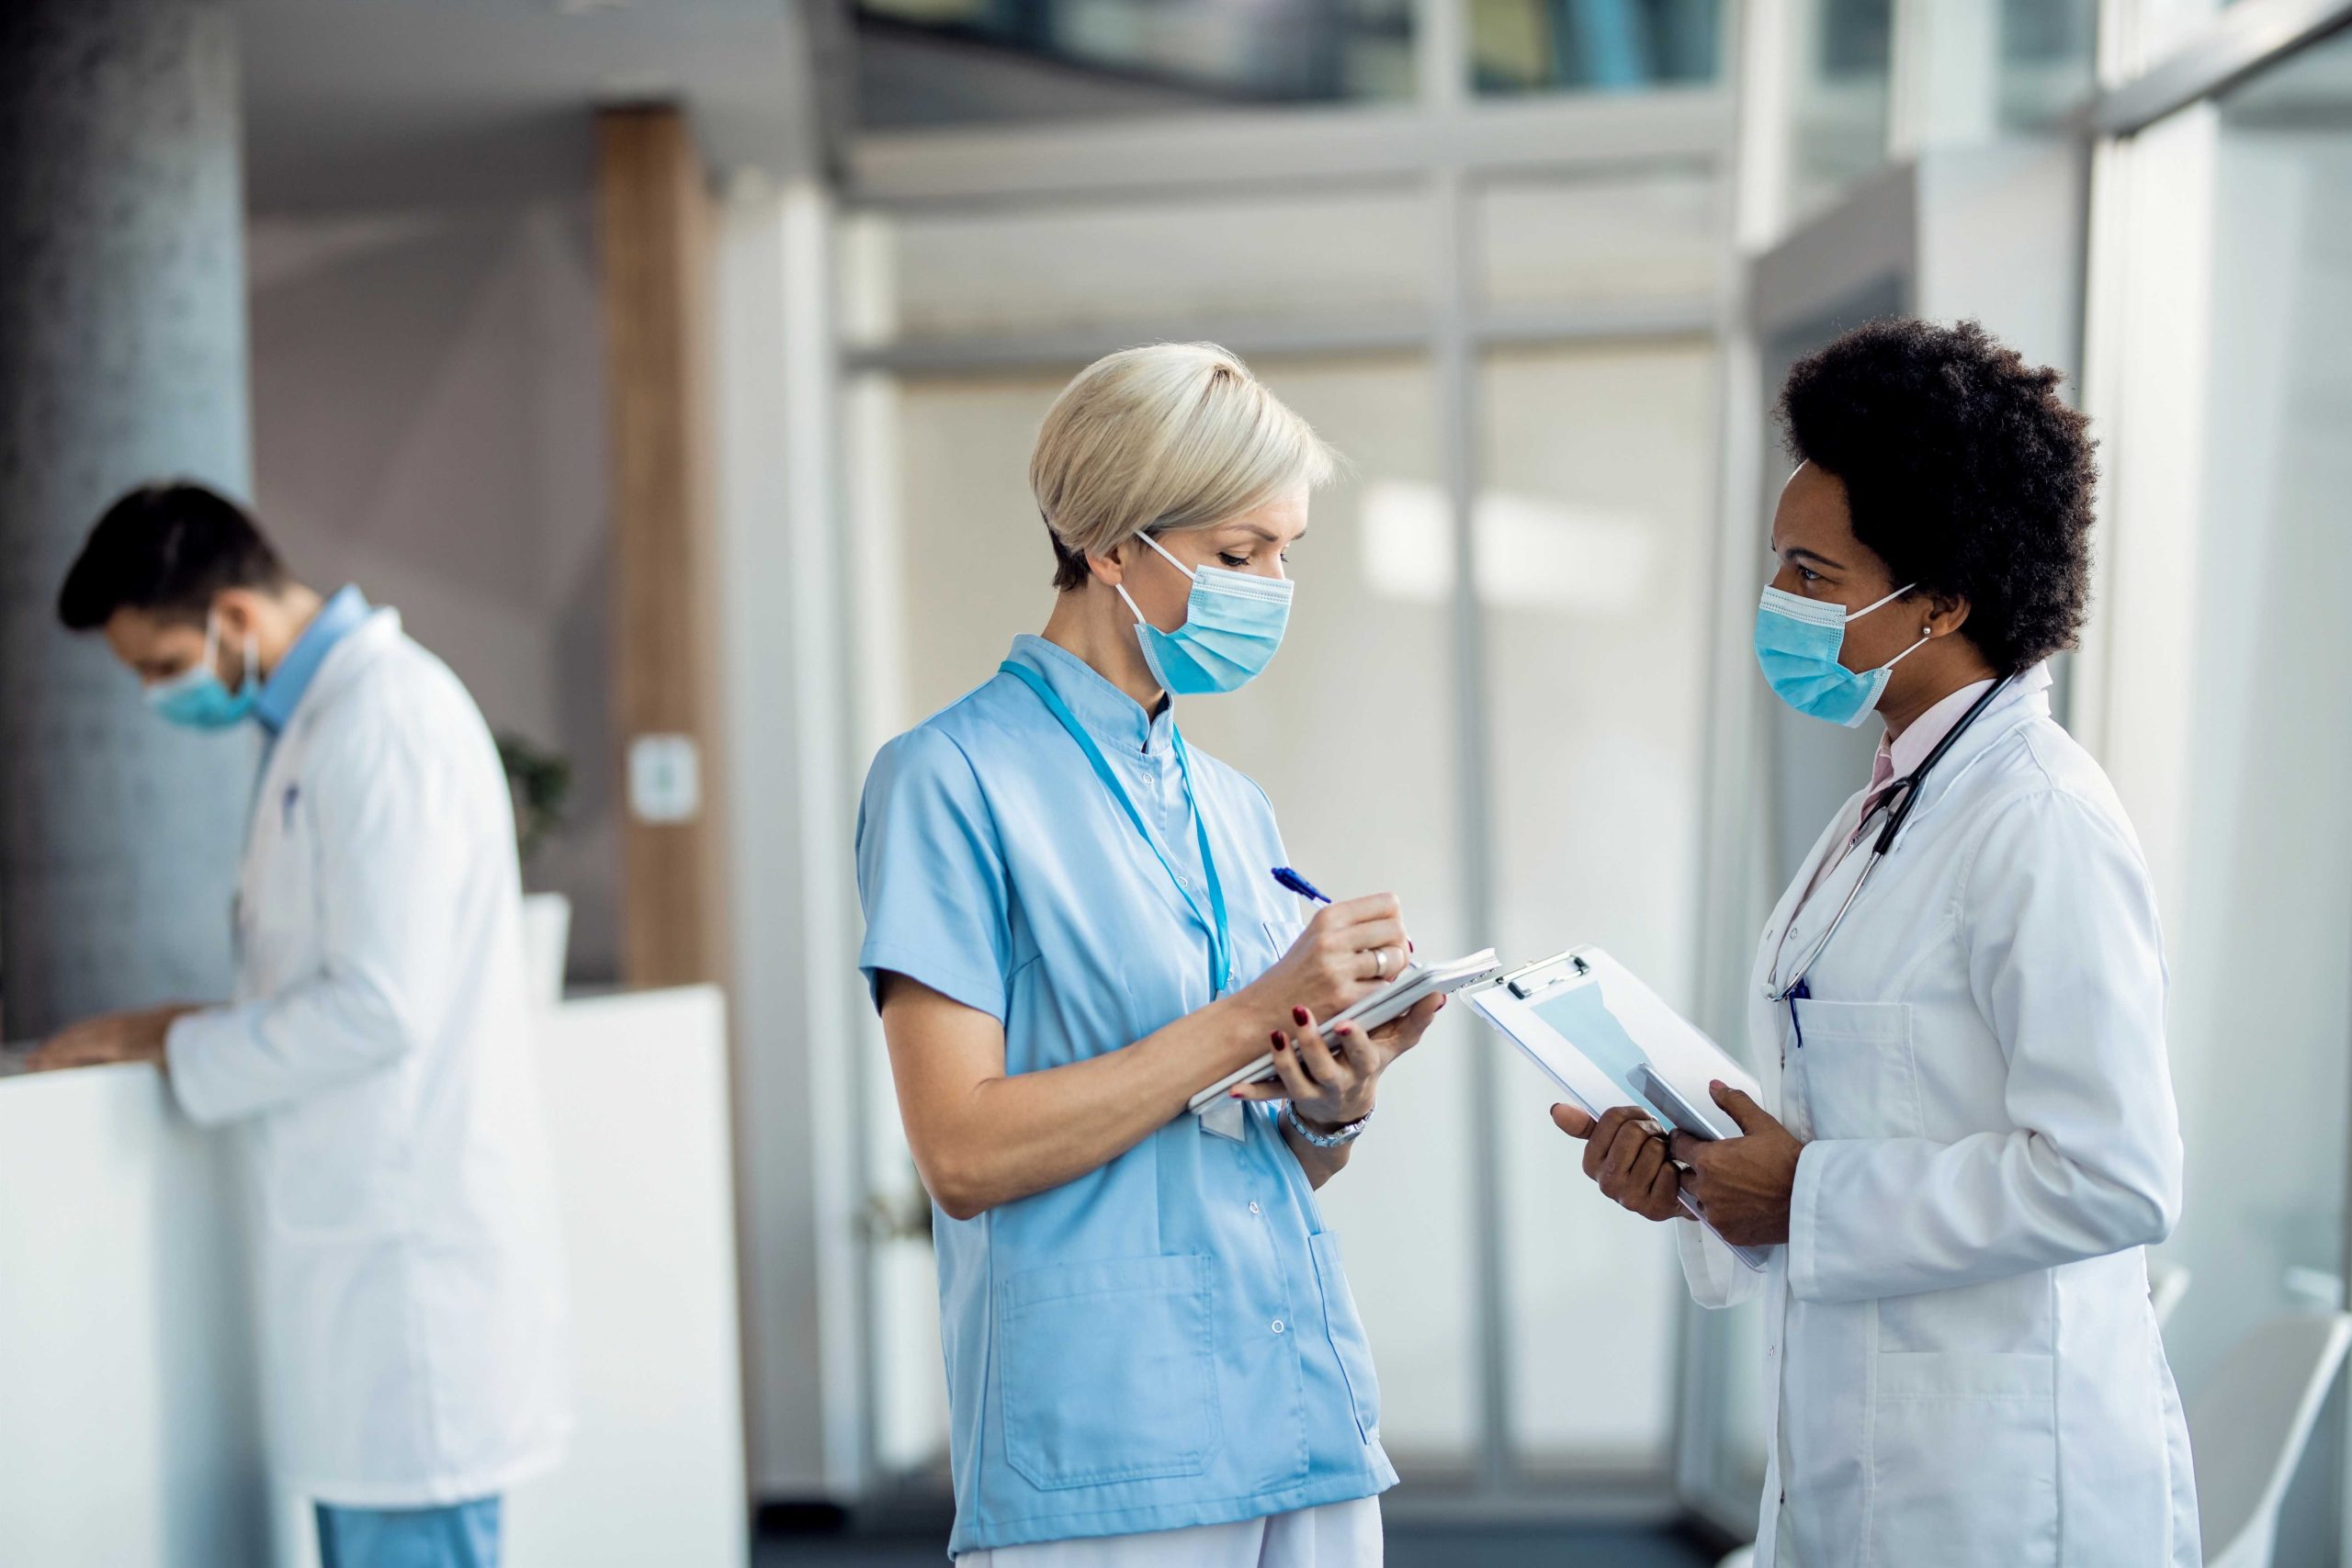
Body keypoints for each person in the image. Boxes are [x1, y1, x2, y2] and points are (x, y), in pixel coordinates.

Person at [1554, 320, 2197, 1565]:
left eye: (1811, 574)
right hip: (1865, 1453)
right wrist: (1704, 1181)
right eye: (1776, 568)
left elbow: (2120, 1175)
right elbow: (1845, 1111)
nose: (1776, 604)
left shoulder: (2040, 821)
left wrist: (1805, 1188)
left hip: (2007, 1489)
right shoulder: (1890, 802)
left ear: (1946, 598)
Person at [856, 343, 1435, 1565]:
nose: (1274, 585)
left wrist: (1334, 1101)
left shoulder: (1229, 803)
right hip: (1109, 1441)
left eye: (1287, 551)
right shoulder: (946, 781)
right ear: (1112, 542)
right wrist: (1256, 1008)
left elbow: (1242, 1154)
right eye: (1239, 553)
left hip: (1300, 1410)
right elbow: (959, 1151)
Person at [34, 484, 571, 1568]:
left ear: (232, 618)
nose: (154, 695)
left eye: (155, 665)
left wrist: (176, 1043)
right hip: (367, 1295)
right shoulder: (326, 724)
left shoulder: (385, 723)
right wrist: (178, 1027)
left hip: (409, 1296)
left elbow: (380, 1006)